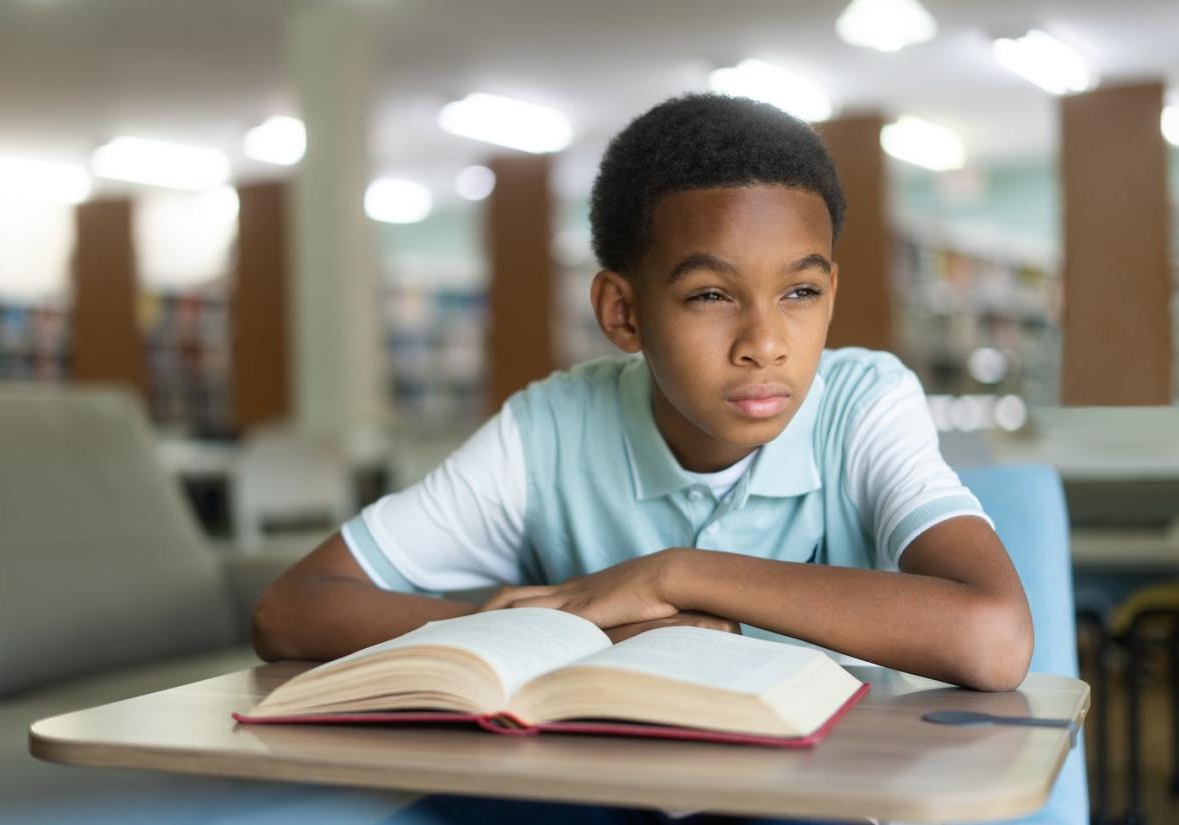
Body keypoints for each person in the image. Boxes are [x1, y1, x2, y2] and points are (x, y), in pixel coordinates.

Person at [252, 93, 1034, 825]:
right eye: (709, 295)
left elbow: (993, 638)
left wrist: (673, 573)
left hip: (813, 801)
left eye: (799, 292)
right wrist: (540, 633)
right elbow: (291, 608)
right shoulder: (549, 429)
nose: (765, 343)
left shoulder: (862, 403)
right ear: (622, 312)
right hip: (598, 800)